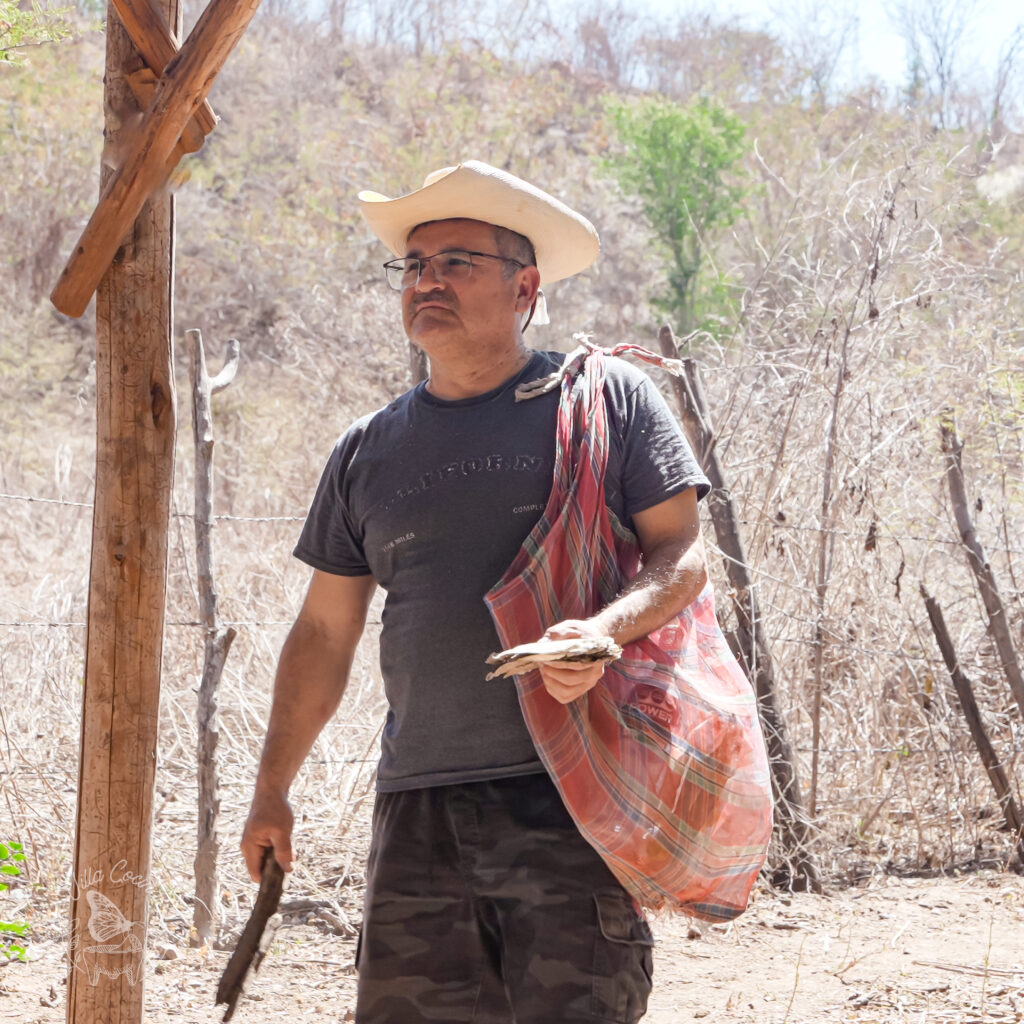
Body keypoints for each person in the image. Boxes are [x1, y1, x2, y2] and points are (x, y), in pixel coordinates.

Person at [241, 160, 712, 1024]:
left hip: (571, 797)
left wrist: (602, 632)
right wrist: (273, 786)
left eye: (456, 262)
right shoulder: (366, 451)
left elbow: (682, 554)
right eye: (414, 266)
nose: (427, 282)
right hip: (417, 807)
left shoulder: (607, 403)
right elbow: (323, 632)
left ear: (525, 285)